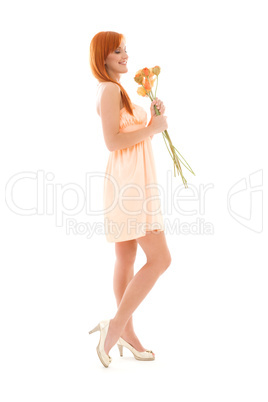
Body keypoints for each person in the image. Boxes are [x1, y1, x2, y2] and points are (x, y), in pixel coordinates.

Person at [88, 31, 172, 368]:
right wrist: (153, 129)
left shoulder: (117, 90)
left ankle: (128, 334)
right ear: (103, 57)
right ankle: (116, 326)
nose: (125, 55)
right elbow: (112, 141)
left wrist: (151, 119)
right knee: (161, 259)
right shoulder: (109, 90)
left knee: (126, 257)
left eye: (125, 49)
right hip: (130, 183)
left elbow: (128, 136)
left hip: (130, 178)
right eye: (117, 51)